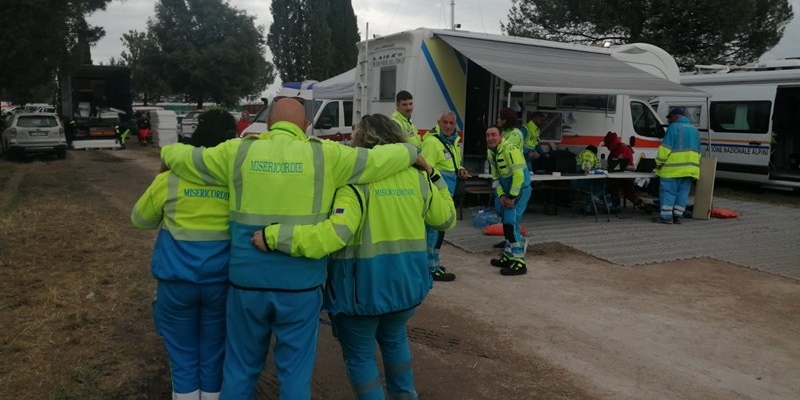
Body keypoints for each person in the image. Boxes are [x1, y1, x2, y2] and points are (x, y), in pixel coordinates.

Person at [159, 98, 425, 400]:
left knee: (240, 369)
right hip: (301, 287)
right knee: (295, 376)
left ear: (269, 124)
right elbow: (381, 159)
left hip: (247, 286)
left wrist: (168, 153)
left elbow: (188, 158)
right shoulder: (327, 155)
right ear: (305, 126)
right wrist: (412, 153)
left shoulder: (238, 151)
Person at [252, 113, 456, 400]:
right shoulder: (419, 180)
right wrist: (433, 174)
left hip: (360, 296)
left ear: (360, 141)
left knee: (361, 359)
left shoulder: (353, 184)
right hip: (407, 289)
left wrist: (276, 237)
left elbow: (333, 235)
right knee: (395, 341)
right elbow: (447, 219)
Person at [131, 109, 237, 400]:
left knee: (182, 356)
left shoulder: (170, 179)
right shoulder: (237, 181)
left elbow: (139, 220)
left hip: (176, 284)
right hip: (222, 283)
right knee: (215, 354)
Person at [420, 111, 466, 282]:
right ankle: (432, 268)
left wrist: (460, 169)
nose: (448, 126)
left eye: (451, 123)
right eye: (444, 122)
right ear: (438, 123)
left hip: (447, 191)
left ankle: (430, 264)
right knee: (436, 228)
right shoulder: (432, 142)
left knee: (437, 229)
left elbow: (451, 163)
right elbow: (426, 168)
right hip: (437, 192)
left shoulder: (453, 141)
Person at [486, 126, 531, 276]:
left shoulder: (510, 149)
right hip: (507, 192)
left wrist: (511, 197)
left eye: (493, 135)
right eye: (488, 136)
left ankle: (519, 262)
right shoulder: (491, 152)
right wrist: (501, 196)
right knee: (507, 224)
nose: (491, 138)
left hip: (519, 191)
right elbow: (495, 178)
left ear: (501, 136)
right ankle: (508, 256)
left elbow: (519, 175)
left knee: (511, 225)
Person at [654, 108, 701, 224]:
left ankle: (666, 217)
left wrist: (658, 162)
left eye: (670, 118)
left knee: (668, 192)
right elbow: (698, 152)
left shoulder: (673, 128)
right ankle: (678, 216)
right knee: (683, 193)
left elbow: (665, 149)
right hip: (690, 169)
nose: (670, 121)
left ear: (675, 116)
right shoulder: (695, 131)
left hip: (672, 169)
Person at [603, 131, 645, 209]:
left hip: (626, 175)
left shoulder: (622, 148)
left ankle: (615, 203)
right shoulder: (617, 148)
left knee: (613, 185)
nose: (607, 147)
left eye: (608, 145)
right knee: (625, 191)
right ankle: (638, 203)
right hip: (620, 174)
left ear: (611, 143)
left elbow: (618, 163)